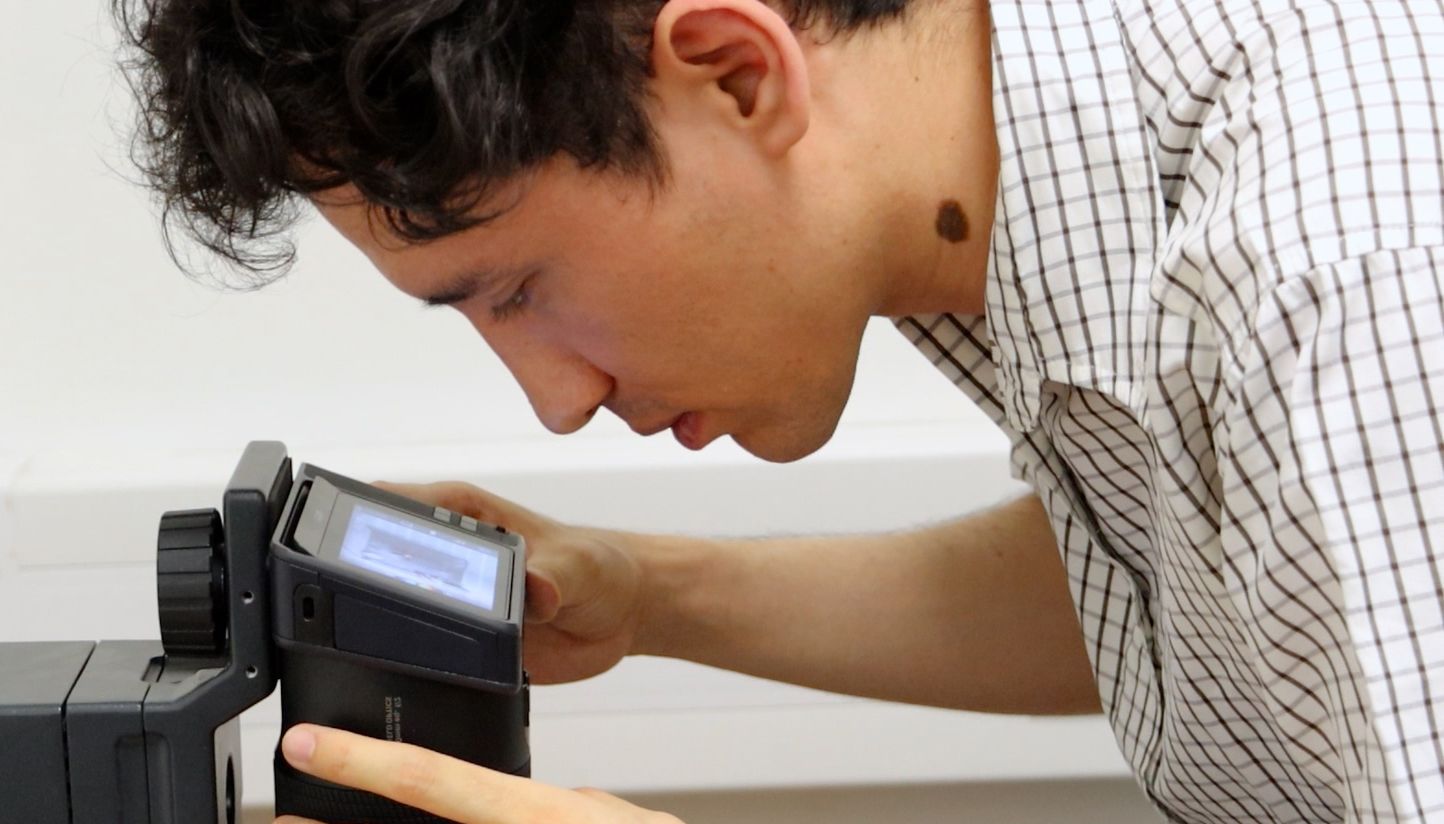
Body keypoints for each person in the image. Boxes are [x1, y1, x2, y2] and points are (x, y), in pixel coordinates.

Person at [115, 0, 1444, 819]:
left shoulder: (1342, 288)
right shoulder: (1082, 199)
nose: (558, 402)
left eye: (519, 290)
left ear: (740, 73)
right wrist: (649, 596)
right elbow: (1222, 592)